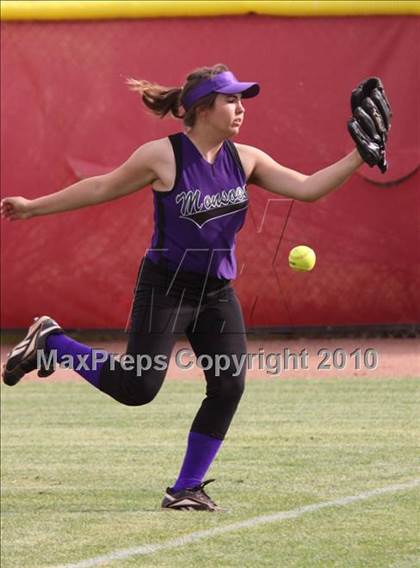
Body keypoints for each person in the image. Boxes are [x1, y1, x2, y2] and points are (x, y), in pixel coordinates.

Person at [1, 64, 391, 511]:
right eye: (231, 100)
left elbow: (307, 188)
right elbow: (100, 187)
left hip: (216, 291)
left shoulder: (246, 159)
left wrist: (358, 155)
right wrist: (33, 207)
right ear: (203, 108)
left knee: (228, 386)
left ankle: (185, 488)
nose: (241, 108)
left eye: (242, 100)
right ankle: (53, 342)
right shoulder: (163, 156)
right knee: (137, 387)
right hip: (166, 286)